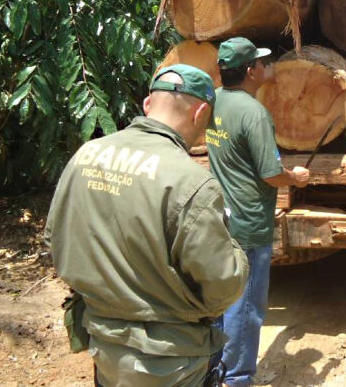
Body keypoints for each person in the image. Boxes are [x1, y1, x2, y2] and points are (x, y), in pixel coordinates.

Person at [45, 64, 249, 387]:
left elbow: (56, 240)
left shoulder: (85, 156)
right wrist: (235, 251)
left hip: (104, 349)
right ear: (200, 113)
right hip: (172, 363)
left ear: (148, 104)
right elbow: (224, 284)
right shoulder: (193, 182)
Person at [205, 37, 310, 387]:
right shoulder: (254, 113)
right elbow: (269, 173)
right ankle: (236, 378)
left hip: (220, 216)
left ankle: (214, 367)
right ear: (251, 71)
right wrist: (294, 177)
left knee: (221, 298)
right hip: (249, 223)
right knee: (246, 306)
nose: (266, 66)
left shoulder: (213, 102)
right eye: (261, 62)